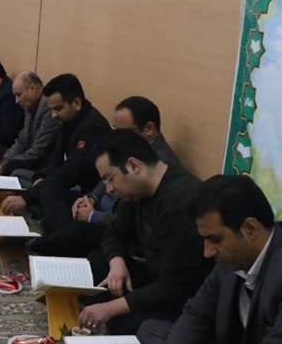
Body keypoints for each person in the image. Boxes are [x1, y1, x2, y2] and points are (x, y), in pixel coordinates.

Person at [137, 175, 281, 344]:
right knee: (152, 331)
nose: (207, 252)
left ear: (250, 228)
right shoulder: (230, 262)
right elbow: (197, 313)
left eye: (215, 239)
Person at [74, 129, 210, 336]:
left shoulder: (179, 202)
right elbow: (113, 233)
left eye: (110, 179)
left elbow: (175, 286)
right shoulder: (137, 191)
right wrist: (117, 263)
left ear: (133, 166)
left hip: (179, 298)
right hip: (153, 277)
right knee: (96, 260)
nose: (109, 189)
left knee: (126, 322)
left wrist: (111, 308)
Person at [32, 96, 183, 257]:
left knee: (76, 232)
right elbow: (107, 177)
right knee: (51, 191)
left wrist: (93, 216)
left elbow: (131, 220)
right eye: (115, 130)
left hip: (111, 222)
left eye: (123, 132)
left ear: (148, 129)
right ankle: (58, 239)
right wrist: (92, 198)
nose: (117, 137)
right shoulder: (127, 147)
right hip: (99, 206)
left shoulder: (157, 165)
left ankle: (52, 241)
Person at [1, 74, 110, 224]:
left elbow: (70, 172)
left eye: (58, 109)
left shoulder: (93, 128)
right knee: (18, 173)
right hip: (64, 179)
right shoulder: (67, 121)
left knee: (49, 192)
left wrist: (27, 197)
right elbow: (55, 161)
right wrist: (41, 177)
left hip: (84, 191)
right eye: (51, 109)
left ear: (76, 103)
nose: (53, 115)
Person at [0, 71, 59, 184]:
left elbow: (39, 150)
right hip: (29, 154)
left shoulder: (48, 107)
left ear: (33, 89)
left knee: (11, 167)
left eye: (18, 95)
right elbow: (22, 139)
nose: (17, 101)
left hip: (43, 163)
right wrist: (7, 159)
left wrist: (11, 163)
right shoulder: (30, 105)